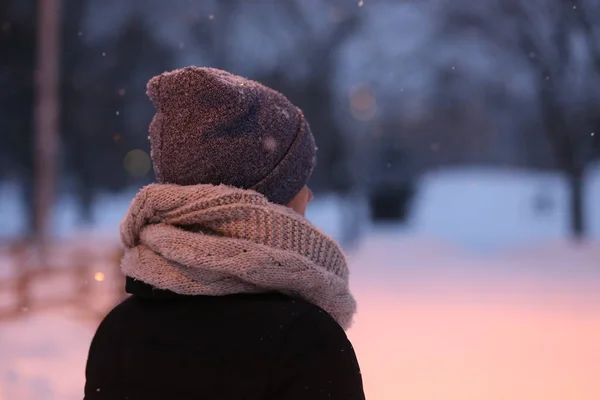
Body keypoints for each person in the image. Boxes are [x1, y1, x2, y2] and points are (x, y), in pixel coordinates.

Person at [84, 67, 365, 400]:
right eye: (300, 179)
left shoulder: (119, 332)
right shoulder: (305, 341)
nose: (309, 194)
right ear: (268, 195)